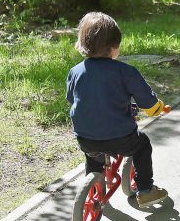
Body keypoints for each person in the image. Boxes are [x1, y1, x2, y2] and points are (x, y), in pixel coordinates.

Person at [66, 11, 168, 208]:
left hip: (85, 138)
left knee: (93, 155)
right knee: (142, 145)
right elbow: (148, 103)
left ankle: (95, 186)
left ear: (82, 44)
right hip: (121, 138)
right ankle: (146, 189)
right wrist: (158, 108)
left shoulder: (75, 72)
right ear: (115, 47)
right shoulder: (126, 72)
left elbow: (71, 99)